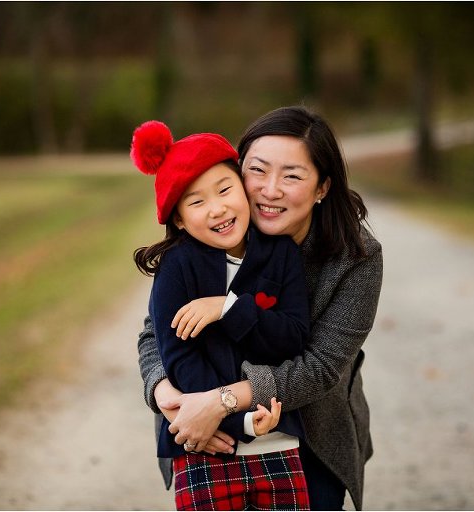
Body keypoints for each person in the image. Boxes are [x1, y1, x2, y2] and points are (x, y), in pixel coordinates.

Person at [137, 106, 383, 510]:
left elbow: (320, 367)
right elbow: (156, 332)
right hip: (202, 423)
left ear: (322, 187)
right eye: (257, 170)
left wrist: (223, 403)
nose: (270, 190)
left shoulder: (356, 258)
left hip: (311, 430)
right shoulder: (208, 238)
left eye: (292, 176)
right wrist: (165, 393)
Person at [131, 120, 311, 510]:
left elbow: (293, 337)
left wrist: (230, 309)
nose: (217, 208)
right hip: (203, 447)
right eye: (196, 202)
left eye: (225, 189)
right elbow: (178, 359)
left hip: (279, 444)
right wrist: (233, 422)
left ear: (244, 190)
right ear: (178, 219)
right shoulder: (177, 268)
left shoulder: (280, 254)